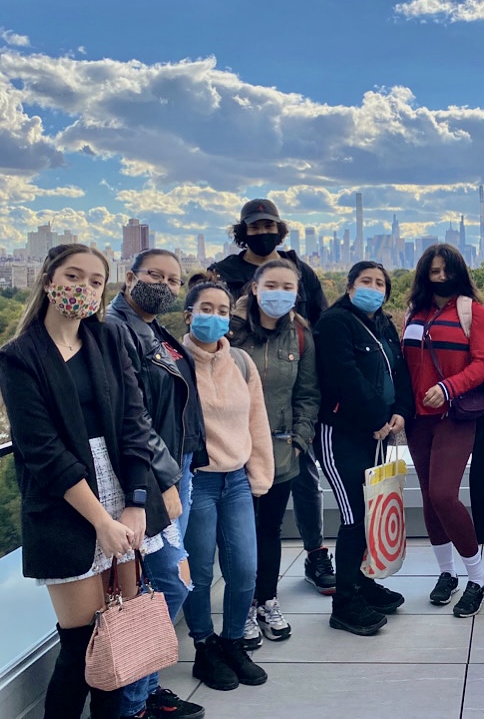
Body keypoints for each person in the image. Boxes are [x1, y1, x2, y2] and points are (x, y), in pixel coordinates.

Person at [0, 244, 174, 719]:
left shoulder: (111, 339)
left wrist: (135, 505)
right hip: (67, 503)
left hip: (121, 487)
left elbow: (136, 425)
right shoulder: (19, 356)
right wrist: (101, 520)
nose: (84, 288)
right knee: (81, 647)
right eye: (73, 276)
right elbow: (42, 451)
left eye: (95, 281)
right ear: (48, 278)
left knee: (117, 645)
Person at [208, 198, 335, 596]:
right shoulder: (224, 273)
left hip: (290, 392)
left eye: (269, 227)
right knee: (243, 508)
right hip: (237, 410)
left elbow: (321, 320)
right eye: (255, 227)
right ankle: (244, 592)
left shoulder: (302, 270)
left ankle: (315, 554)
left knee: (304, 480)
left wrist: (307, 420)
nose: (263, 233)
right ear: (242, 230)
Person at [106, 249, 208, 719]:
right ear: (130, 277)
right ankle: (132, 703)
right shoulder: (118, 330)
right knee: (167, 581)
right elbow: (133, 417)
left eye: (174, 279)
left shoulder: (152, 330)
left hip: (175, 468)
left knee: (160, 585)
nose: (165, 285)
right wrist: (164, 479)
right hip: (150, 475)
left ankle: (144, 692)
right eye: (155, 275)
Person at [181, 276, 274, 692]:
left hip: (235, 480)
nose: (215, 318)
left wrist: (259, 474)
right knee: (199, 572)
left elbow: (257, 420)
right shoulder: (174, 362)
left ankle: (234, 641)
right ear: (188, 315)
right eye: (206, 310)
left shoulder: (239, 362)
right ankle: (204, 646)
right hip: (196, 482)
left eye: (222, 311)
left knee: (244, 568)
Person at [314, 261, 414, 636]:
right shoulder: (336, 323)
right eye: (366, 281)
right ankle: (345, 602)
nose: (373, 287)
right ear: (350, 285)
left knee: (373, 512)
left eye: (380, 283)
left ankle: (364, 581)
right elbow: (344, 375)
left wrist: (400, 412)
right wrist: (377, 417)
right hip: (342, 435)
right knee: (355, 516)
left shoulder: (383, 324)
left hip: (379, 433)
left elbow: (399, 371)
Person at [228, 259, 320, 650]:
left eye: (288, 287)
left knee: (269, 531)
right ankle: (242, 607)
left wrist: (299, 438)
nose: (279, 294)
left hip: (281, 450)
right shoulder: (228, 331)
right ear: (254, 287)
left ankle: (266, 600)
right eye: (272, 285)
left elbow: (308, 392)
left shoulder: (300, 333)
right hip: (233, 452)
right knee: (238, 536)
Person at [401, 244, 484, 617]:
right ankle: (446, 573)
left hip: (454, 415)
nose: (440, 277)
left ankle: (478, 576)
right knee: (427, 495)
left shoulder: (472, 311)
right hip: (417, 419)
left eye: (446, 270)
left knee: (443, 494)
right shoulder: (414, 312)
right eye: (433, 271)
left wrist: (449, 387)